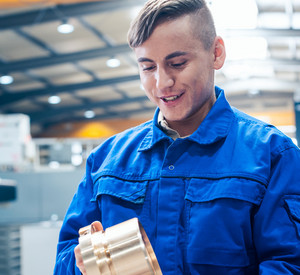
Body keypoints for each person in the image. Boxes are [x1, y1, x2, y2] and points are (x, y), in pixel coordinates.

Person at [54, 0, 300, 274]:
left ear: (216, 53)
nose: (162, 82)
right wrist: (91, 263)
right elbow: (66, 256)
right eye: (148, 67)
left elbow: (289, 263)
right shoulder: (106, 161)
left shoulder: (272, 155)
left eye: (177, 63)